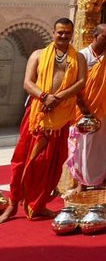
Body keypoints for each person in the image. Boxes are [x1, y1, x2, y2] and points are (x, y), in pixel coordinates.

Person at [0, 18, 87, 222]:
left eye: (67, 33)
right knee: (22, 161)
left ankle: (38, 205)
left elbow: (81, 82)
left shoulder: (78, 59)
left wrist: (58, 98)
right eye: (60, 32)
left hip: (61, 116)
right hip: (37, 115)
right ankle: (13, 205)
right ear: (54, 32)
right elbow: (27, 83)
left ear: (72, 34)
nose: (63, 36)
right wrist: (44, 96)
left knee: (52, 164)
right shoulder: (38, 55)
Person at [67, 23, 106, 188]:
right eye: (105, 36)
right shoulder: (82, 56)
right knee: (84, 147)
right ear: (94, 36)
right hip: (86, 110)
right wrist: (84, 109)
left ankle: (98, 180)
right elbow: (74, 85)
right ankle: (81, 183)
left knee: (105, 145)